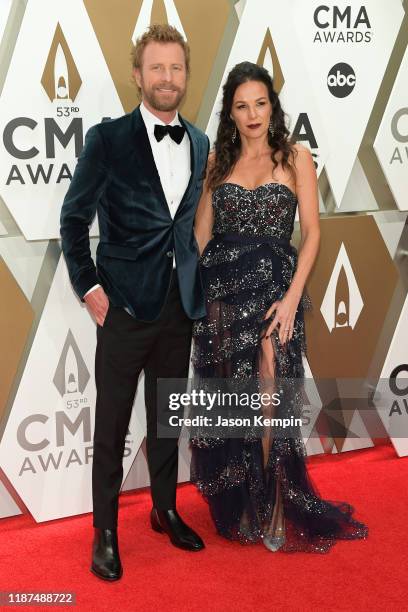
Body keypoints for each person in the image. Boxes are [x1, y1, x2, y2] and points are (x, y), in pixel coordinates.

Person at [191, 61, 368, 553]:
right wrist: (184, 292)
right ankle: (244, 498)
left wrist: (292, 298)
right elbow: (202, 236)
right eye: (242, 106)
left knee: (270, 387)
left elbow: (312, 233)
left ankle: (272, 500)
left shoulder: (295, 158)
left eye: (261, 103)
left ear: (273, 105)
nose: (252, 114)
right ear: (230, 112)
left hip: (275, 291)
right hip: (223, 292)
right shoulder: (217, 164)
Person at [60, 24, 209, 581]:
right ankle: (104, 531)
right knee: (113, 424)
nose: (166, 78)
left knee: (167, 417)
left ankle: (164, 508)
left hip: (177, 307)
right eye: (156, 68)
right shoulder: (108, 138)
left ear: (185, 77)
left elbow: (188, 225)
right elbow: (73, 219)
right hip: (122, 306)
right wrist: (90, 287)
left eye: (175, 68)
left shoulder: (198, 141)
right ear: (137, 75)